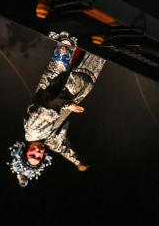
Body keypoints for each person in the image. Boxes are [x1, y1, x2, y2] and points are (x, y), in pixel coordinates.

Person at [8, 32, 106, 186]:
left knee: (85, 38)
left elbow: (47, 106)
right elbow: (62, 148)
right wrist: (77, 163)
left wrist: (68, 105)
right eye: (39, 157)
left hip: (66, 76)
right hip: (80, 81)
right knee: (103, 46)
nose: (38, 153)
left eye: (32, 155)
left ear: (25, 150)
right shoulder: (48, 140)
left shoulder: (33, 129)